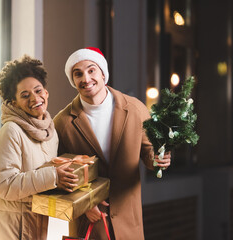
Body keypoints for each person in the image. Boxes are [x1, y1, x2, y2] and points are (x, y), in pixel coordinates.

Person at [53, 47, 171, 240]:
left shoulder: (135, 109)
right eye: (78, 74)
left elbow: (149, 153)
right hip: (88, 224)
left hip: (128, 219)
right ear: (73, 81)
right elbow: (58, 175)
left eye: (91, 70)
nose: (86, 78)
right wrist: (84, 206)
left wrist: (159, 159)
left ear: (103, 74)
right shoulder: (62, 122)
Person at [0, 55, 78, 240]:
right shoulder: (11, 131)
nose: (35, 98)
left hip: (35, 222)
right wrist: (54, 176)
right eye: (25, 95)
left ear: (46, 93)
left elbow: (42, 180)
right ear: (13, 102)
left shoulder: (50, 132)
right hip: (8, 229)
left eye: (38, 90)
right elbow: (2, 185)